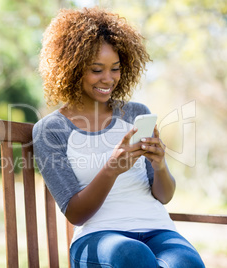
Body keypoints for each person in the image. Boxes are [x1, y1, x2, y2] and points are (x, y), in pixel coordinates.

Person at [33, 7, 205, 268]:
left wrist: (160, 165)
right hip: (98, 238)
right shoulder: (51, 129)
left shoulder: (135, 113)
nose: (108, 79)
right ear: (71, 68)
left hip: (157, 228)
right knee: (133, 257)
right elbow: (76, 214)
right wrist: (112, 169)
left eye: (115, 69)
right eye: (96, 69)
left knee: (187, 263)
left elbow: (164, 196)